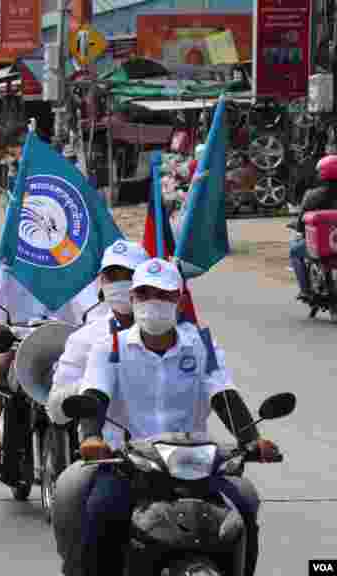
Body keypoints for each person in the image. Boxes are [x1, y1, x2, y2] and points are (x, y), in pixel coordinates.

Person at [53, 258, 282, 576]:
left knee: (242, 509)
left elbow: (223, 396)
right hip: (128, 465)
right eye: (144, 294)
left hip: (195, 465)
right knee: (100, 511)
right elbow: (95, 396)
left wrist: (252, 441)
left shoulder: (202, 344)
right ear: (132, 300)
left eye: (162, 294)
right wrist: (92, 437)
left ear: (178, 299)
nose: (153, 302)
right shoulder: (110, 347)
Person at [0, 245, 101, 469]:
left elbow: (94, 308)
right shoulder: (5, 254)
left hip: (68, 339)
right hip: (17, 337)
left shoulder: (78, 253)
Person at [46, 240, 148, 445]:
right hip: (109, 455)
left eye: (128, 276)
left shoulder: (178, 337)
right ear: (101, 283)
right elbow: (55, 411)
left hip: (172, 451)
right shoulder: (85, 339)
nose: (120, 284)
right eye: (112, 277)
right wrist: (92, 382)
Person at [290, 154, 337, 302]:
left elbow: (301, 222)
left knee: (294, 252)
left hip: (321, 246)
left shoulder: (311, 195)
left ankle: (305, 290)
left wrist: (298, 230)